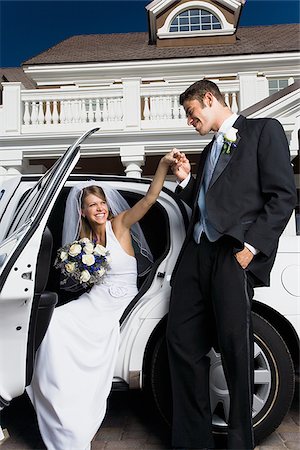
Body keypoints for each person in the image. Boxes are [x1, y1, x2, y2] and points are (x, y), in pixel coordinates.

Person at [166, 79, 297, 450]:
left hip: (231, 253)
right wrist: (187, 178)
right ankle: (193, 442)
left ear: (209, 99)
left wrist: (251, 248)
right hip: (195, 255)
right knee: (181, 342)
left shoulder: (262, 131)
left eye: (191, 113)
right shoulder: (209, 149)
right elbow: (206, 202)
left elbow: (282, 196)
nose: (189, 121)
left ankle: (241, 442)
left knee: (236, 349)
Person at [26, 149, 179, 450]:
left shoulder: (119, 225)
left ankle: (77, 415)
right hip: (94, 299)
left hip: (119, 303)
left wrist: (161, 166)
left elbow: (149, 199)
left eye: (101, 203)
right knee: (53, 322)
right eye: (91, 205)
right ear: (82, 211)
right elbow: (82, 282)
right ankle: (59, 402)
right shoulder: (84, 242)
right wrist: (80, 270)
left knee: (76, 331)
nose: (99, 208)